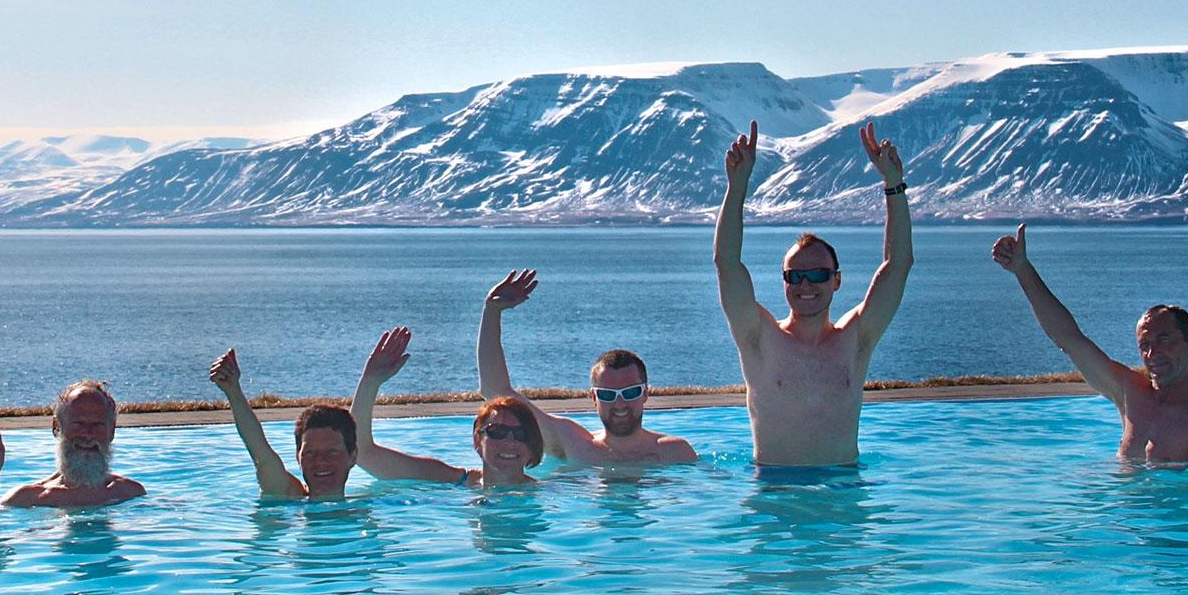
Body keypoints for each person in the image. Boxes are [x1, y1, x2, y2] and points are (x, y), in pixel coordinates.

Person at [715, 119, 913, 467]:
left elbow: (898, 265)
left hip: (843, 495)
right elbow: (727, 264)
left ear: (836, 280)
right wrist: (737, 187)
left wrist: (893, 185)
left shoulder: (856, 339)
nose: (806, 285)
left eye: (818, 274)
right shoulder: (759, 338)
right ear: (785, 281)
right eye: (796, 276)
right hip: (775, 497)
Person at [991, 224, 1188, 464]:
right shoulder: (1131, 393)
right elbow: (1068, 338)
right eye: (1144, 344)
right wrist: (1022, 270)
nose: (1153, 353)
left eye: (1164, 339)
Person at [477, 269, 697, 465]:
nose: (619, 403)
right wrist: (492, 311)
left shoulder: (674, 452)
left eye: (629, 393)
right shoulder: (574, 445)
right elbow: (495, 392)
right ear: (593, 397)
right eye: (607, 395)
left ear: (645, 393)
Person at [348, 326, 542, 487]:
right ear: (477, 438)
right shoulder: (445, 480)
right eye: (497, 431)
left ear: (533, 445)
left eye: (521, 434)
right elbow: (362, 452)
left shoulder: (549, 496)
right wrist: (370, 382)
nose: (510, 441)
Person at [0, 380, 147, 516]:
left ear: (111, 431)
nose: (88, 435)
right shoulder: (29, 499)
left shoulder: (128, 493)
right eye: (78, 423)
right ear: (57, 427)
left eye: (97, 425)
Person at [207, 346, 359, 499]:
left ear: (353, 456)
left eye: (331, 452)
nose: (320, 461)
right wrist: (232, 390)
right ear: (297, 457)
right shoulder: (287, 494)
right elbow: (260, 452)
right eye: (310, 453)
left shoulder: (370, 505)